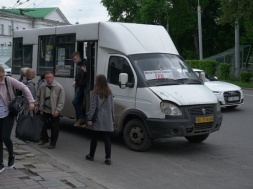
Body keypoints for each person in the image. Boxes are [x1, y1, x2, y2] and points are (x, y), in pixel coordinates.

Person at [0, 65, 35, 173]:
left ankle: (11, 155)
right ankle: (0, 163)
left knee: (5, 137)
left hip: (8, 113)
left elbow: (24, 87)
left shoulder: (8, 80)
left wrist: (31, 101)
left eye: (1, 76)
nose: (0, 79)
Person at [86, 74, 115, 165]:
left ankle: (91, 155)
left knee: (94, 138)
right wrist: (113, 118)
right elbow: (112, 107)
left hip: (98, 118)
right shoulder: (109, 92)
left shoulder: (95, 93)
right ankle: (108, 158)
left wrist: (90, 118)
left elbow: (93, 107)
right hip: (108, 118)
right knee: (107, 138)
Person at [35, 71, 65, 149]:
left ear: (53, 77)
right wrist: (37, 105)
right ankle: (44, 139)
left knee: (55, 127)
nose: (48, 79)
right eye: (47, 77)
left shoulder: (59, 87)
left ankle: (53, 143)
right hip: (44, 109)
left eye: (50, 77)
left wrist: (58, 110)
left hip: (54, 109)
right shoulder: (42, 86)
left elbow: (61, 101)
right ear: (45, 78)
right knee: (42, 124)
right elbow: (37, 96)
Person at [72, 51, 88, 126]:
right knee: (74, 101)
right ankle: (81, 117)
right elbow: (77, 75)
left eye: (75, 59)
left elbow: (90, 74)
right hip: (80, 85)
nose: (74, 61)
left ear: (78, 57)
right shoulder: (78, 65)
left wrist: (86, 71)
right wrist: (75, 80)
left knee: (85, 103)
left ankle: (84, 119)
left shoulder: (86, 63)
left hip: (85, 85)